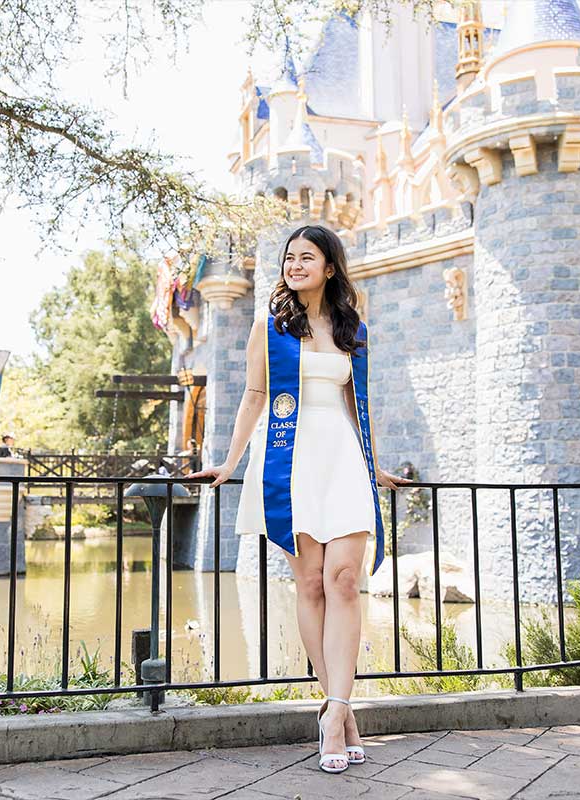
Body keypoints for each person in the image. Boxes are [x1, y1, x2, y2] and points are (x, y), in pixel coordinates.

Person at [187, 224, 410, 774]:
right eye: (289, 257)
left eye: (306, 257)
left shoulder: (353, 327)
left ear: (330, 267)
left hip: (342, 457)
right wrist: (231, 460)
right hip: (289, 458)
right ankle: (342, 710)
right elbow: (254, 395)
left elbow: (361, 403)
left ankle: (333, 709)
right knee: (310, 583)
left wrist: (374, 465)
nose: (294, 265)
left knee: (343, 581)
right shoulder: (270, 328)